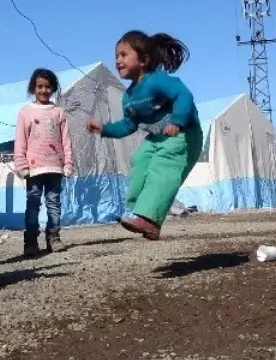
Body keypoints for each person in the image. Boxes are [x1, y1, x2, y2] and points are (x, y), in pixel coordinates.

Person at [86, 31, 202, 241]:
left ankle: (150, 216)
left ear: (144, 60)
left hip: (184, 134)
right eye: (116, 56)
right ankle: (146, 215)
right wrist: (104, 129)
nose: (118, 60)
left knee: (163, 166)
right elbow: (128, 125)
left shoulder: (157, 81)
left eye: (123, 55)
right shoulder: (129, 97)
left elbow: (183, 94)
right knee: (140, 160)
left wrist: (177, 120)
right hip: (157, 138)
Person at [14, 68, 75, 256]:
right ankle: (31, 241)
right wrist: (21, 165)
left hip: (55, 167)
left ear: (53, 89)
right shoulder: (26, 113)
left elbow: (66, 140)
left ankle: (54, 238)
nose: (44, 90)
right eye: (40, 86)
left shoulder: (59, 112)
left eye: (48, 87)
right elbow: (20, 140)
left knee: (54, 203)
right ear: (33, 88)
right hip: (33, 169)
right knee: (33, 205)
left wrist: (68, 163)